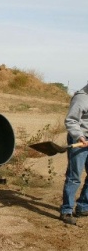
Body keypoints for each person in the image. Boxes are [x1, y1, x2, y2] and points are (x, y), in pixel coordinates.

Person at [60, 84, 88, 225]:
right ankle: (66, 211)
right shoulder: (81, 98)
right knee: (74, 176)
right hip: (79, 139)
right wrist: (80, 136)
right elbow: (71, 120)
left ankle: (83, 206)